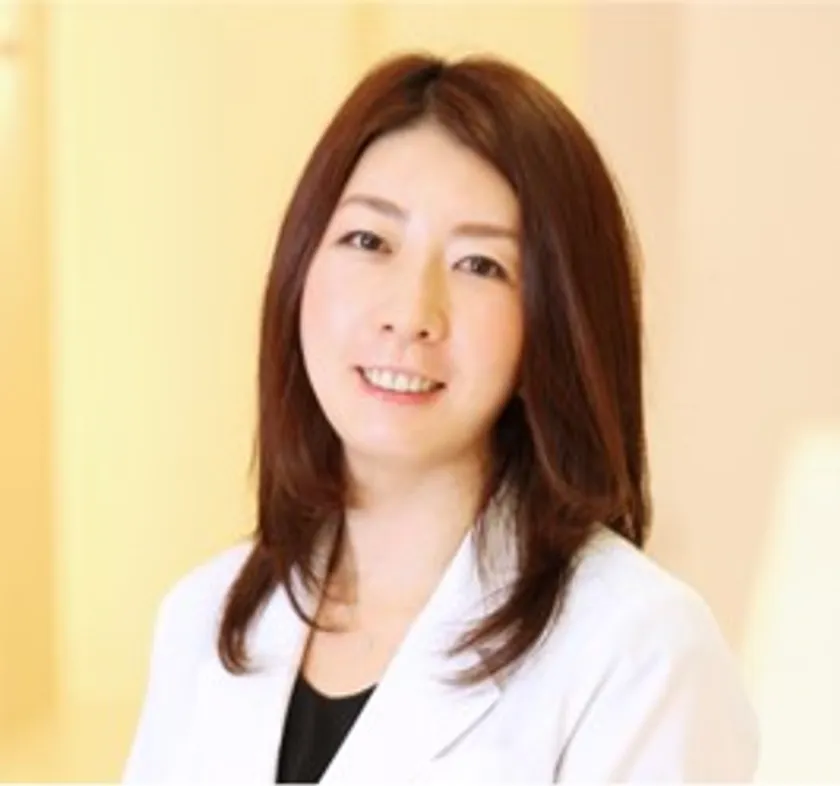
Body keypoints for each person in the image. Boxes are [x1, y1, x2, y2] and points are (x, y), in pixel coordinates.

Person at [122, 52, 760, 783]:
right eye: (370, 242)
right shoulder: (203, 618)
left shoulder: (638, 651)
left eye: (481, 265)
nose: (410, 313)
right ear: (299, 270)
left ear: (555, 321)